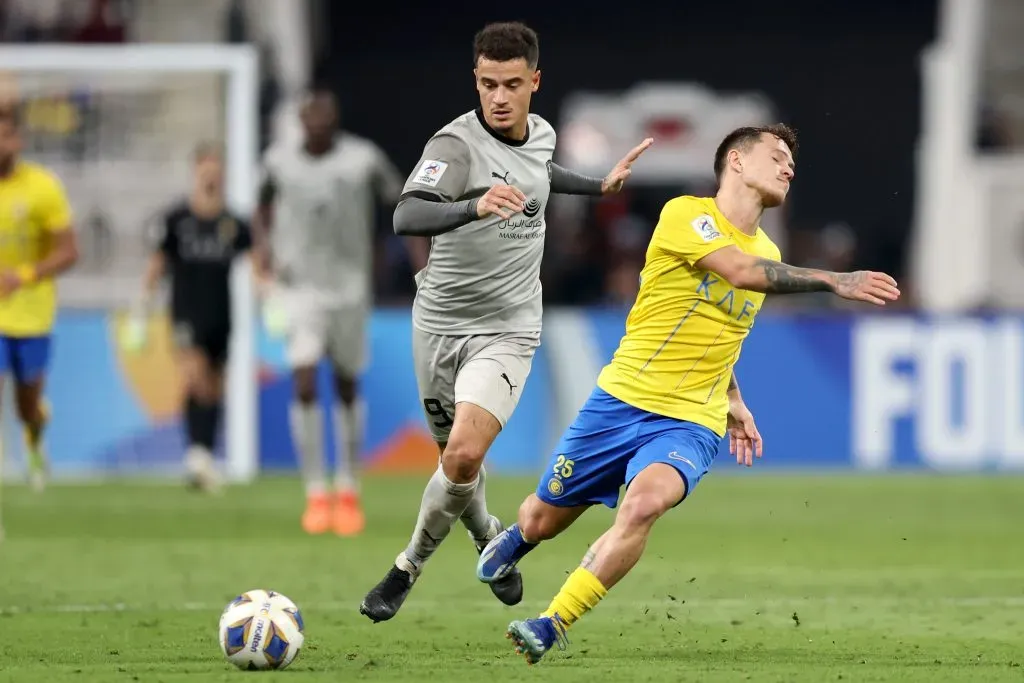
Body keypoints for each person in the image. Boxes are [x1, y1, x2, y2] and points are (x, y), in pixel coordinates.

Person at [476, 124, 902, 664]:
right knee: (544, 517)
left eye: (792, 161)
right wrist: (832, 279)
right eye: (777, 155)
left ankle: (551, 621)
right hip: (621, 399)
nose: (789, 167)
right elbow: (740, 272)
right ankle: (518, 538)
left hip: (691, 420)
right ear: (737, 163)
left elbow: (722, 333)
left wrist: (733, 398)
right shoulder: (686, 215)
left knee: (643, 506)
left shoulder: (769, 249)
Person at [358, 20, 652, 623]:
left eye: (511, 84)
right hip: (438, 325)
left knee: (464, 455)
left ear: (534, 82)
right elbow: (405, 216)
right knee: (456, 468)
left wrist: (599, 186)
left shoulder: (541, 135)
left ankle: (405, 567)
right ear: (475, 79)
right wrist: (471, 206)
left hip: (510, 327)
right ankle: (490, 534)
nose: (498, 96)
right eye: (488, 83)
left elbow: (539, 176)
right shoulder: (454, 147)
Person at [256, 87, 404, 536]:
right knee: (303, 380)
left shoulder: (363, 159)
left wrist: (389, 254)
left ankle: (348, 487)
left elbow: (399, 200)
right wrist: (264, 249)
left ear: (335, 121)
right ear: (301, 121)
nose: (318, 125)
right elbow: (260, 205)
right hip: (298, 288)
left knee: (345, 383)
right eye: (311, 119)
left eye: (326, 119)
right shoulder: (278, 161)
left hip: (349, 289)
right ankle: (316, 491)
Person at [128, 142, 253, 492]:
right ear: (196, 172)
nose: (211, 176)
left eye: (216, 170)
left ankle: (204, 457)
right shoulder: (176, 220)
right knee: (194, 377)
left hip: (221, 314)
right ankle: (196, 456)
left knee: (214, 387)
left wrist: (270, 297)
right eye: (205, 170)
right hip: (185, 312)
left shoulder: (233, 223)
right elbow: (157, 264)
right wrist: (141, 306)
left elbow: (255, 262)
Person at [0, 107, 79, 492]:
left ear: (18, 141)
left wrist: (23, 276)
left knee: (26, 402)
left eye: (7, 134)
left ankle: (35, 436)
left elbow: (69, 251)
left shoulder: (42, 187)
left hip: (32, 312)